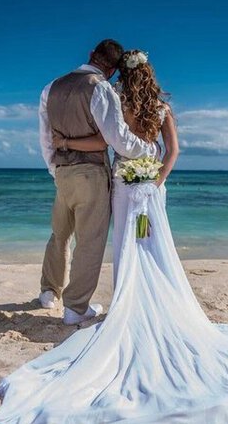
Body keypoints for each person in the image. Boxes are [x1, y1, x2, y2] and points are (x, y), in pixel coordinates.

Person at [0, 50, 228, 424]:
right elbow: (171, 152)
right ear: (151, 75)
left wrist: (68, 149)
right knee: (145, 247)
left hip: (126, 186)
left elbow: (108, 144)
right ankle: (98, 300)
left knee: (126, 245)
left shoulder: (119, 103)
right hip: (143, 187)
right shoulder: (156, 108)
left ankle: (85, 296)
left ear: (125, 76)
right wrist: (155, 181)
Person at [38, 39, 158, 325]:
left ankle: (48, 291)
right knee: (90, 242)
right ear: (114, 69)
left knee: (59, 233)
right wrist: (149, 150)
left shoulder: (51, 87)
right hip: (91, 173)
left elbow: (45, 138)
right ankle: (76, 307)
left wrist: (55, 169)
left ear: (92, 54)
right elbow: (118, 140)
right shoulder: (100, 88)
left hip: (62, 172)